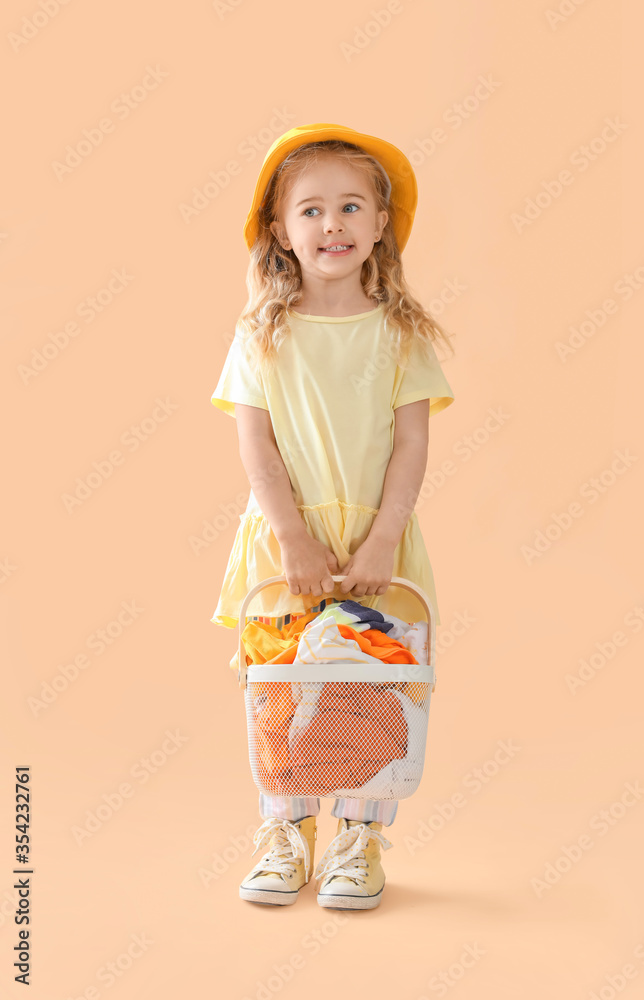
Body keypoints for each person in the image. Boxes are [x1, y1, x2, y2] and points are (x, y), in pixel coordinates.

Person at [208, 123, 456, 909]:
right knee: (281, 684)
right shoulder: (260, 336)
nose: (333, 225)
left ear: (380, 225)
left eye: (351, 207)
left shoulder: (399, 334)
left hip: (372, 546)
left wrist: (384, 535)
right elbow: (259, 450)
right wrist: (290, 537)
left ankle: (358, 838)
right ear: (280, 230)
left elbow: (410, 445)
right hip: (290, 545)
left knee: (368, 685)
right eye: (310, 210)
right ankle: (285, 833)